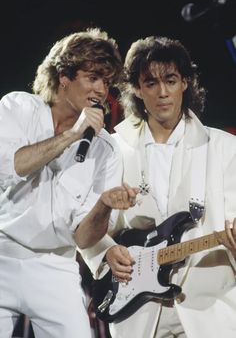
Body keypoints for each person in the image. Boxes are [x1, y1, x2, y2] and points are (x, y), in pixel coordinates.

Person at [81, 35, 236, 338]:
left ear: (186, 83)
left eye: (171, 80)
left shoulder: (225, 148)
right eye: (150, 83)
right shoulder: (113, 149)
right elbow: (84, 224)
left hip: (209, 310)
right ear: (137, 89)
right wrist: (105, 253)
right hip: (137, 314)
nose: (162, 92)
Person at [0, 27, 139, 338]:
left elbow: (85, 238)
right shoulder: (18, 108)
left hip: (56, 266)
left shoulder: (107, 149)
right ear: (64, 76)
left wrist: (104, 205)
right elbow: (10, 167)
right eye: (93, 77)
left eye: (107, 81)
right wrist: (73, 135)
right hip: (3, 255)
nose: (102, 90)